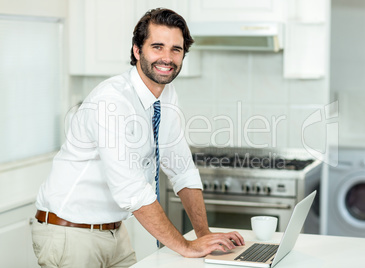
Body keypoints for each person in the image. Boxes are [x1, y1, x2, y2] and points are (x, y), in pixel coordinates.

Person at [31, 8, 244, 268]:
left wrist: (204, 233)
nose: (167, 57)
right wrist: (186, 247)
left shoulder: (166, 95)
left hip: (114, 231)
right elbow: (130, 189)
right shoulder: (111, 100)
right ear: (137, 50)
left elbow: (182, 168)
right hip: (70, 233)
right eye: (157, 47)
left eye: (176, 49)